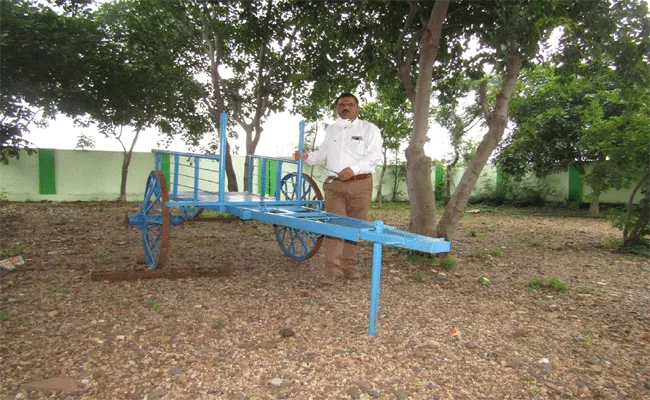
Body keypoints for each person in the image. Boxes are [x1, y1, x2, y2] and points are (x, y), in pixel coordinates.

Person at [295, 93, 383, 285]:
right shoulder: (331, 130)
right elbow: (323, 154)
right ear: (336, 108)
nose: (345, 107)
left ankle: (349, 266)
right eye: (341, 104)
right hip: (334, 185)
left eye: (350, 104)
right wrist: (307, 156)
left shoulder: (369, 129)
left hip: (360, 184)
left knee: (355, 227)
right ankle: (333, 272)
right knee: (335, 227)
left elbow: (374, 154)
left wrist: (353, 170)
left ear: (357, 108)